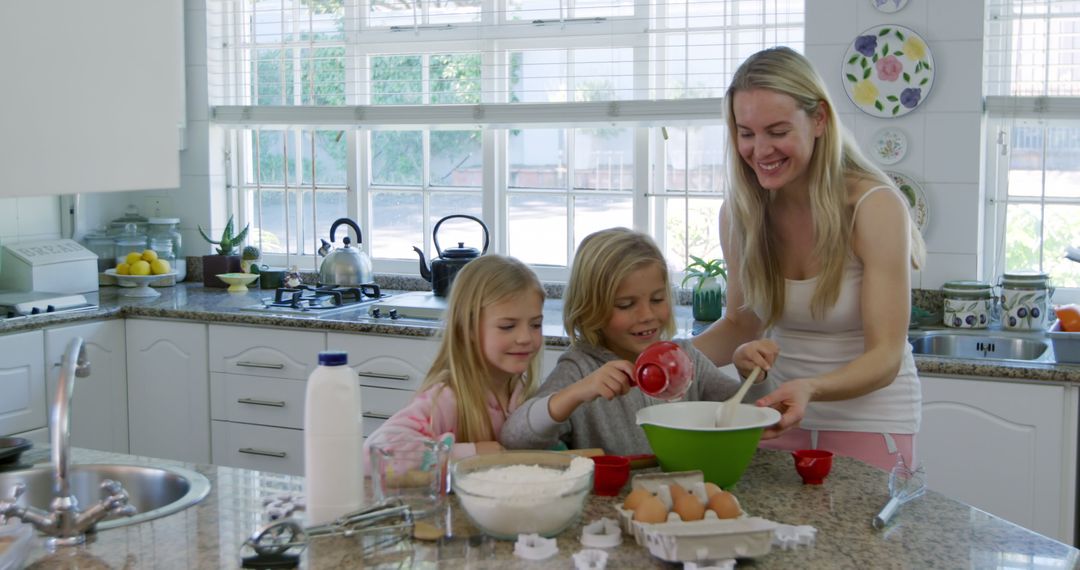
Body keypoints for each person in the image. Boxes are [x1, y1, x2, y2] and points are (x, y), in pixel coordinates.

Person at [692, 46, 926, 472]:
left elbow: (886, 355)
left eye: (777, 131)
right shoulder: (741, 213)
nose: (760, 149)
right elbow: (742, 324)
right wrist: (662, 360)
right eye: (746, 133)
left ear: (818, 119)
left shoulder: (873, 206)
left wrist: (811, 388)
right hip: (777, 417)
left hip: (872, 422)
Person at [500, 228, 742, 457]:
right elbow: (514, 438)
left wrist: (753, 373)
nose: (647, 315)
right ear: (589, 310)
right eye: (626, 305)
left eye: (657, 299)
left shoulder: (686, 358)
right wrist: (575, 394)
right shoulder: (579, 371)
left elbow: (751, 414)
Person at [363, 254, 545, 461]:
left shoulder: (524, 395)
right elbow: (374, 454)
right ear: (467, 329)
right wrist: (470, 453)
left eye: (536, 325)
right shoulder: (446, 399)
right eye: (507, 327)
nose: (525, 338)